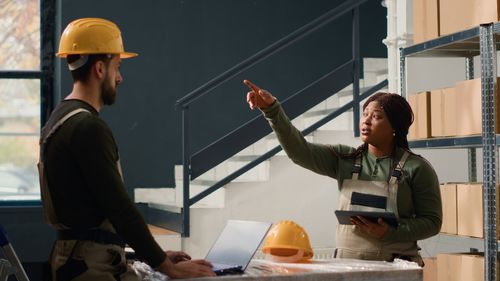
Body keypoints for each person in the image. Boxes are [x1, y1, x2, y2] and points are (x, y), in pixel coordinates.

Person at [38, 18, 215, 280]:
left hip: (73, 259)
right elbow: (119, 209)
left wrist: (154, 256)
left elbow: (91, 213)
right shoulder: (88, 128)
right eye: (117, 67)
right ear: (100, 68)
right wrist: (169, 268)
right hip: (92, 267)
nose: (120, 78)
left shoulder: (59, 119)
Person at [243, 79, 442, 266]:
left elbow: (432, 222)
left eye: (377, 117)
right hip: (347, 268)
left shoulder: (416, 168)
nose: (366, 121)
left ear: (395, 128)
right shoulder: (345, 159)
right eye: (365, 114)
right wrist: (271, 110)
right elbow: (299, 152)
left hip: (396, 270)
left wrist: (390, 231)